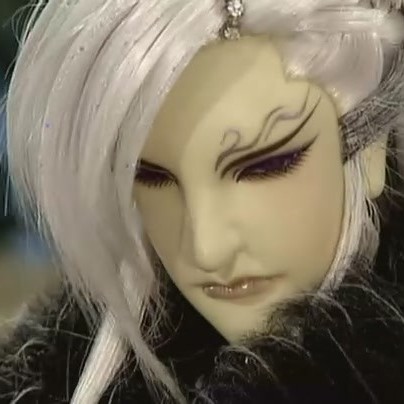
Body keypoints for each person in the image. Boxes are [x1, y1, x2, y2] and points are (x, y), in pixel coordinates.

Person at [2, 0, 404, 402]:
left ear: (371, 148)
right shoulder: (57, 378)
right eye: (152, 177)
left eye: (265, 165)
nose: (206, 249)